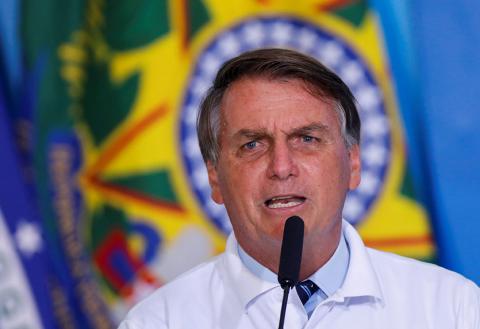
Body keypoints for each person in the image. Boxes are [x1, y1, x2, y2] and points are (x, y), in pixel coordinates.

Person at [119, 48, 479, 328]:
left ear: (353, 163)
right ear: (214, 177)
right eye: (252, 145)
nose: (281, 168)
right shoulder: (158, 322)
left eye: (306, 138)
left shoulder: (452, 308)